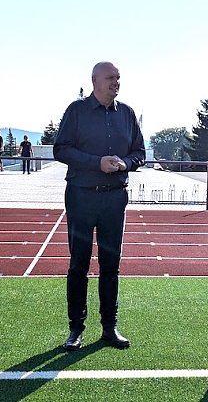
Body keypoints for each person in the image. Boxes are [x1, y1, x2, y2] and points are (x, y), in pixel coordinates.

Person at [53, 61, 145, 351]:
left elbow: (139, 153)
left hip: (114, 198)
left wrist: (124, 163)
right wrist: (97, 163)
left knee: (110, 265)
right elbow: (61, 149)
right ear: (94, 81)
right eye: (110, 78)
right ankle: (76, 329)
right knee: (78, 264)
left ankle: (109, 327)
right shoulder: (76, 111)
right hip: (81, 196)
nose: (116, 82)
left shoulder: (128, 114)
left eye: (118, 78)